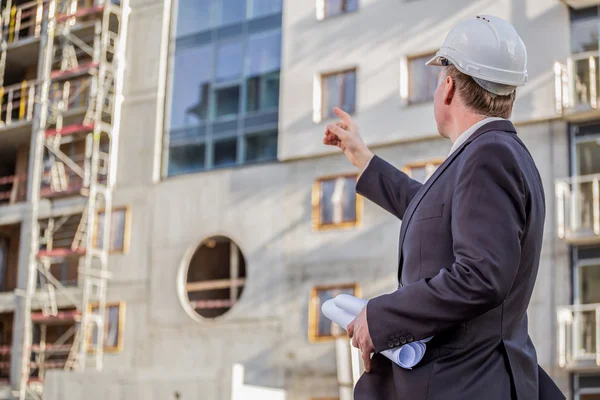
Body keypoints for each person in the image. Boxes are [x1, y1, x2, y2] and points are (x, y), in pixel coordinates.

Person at [323, 15, 565, 400]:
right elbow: (433, 211)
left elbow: (481, 275)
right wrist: (363, 159)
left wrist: (382, 316)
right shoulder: (490, 152)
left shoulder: (489, 156)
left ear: (448, 87)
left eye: (438, 79)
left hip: (464, 384)